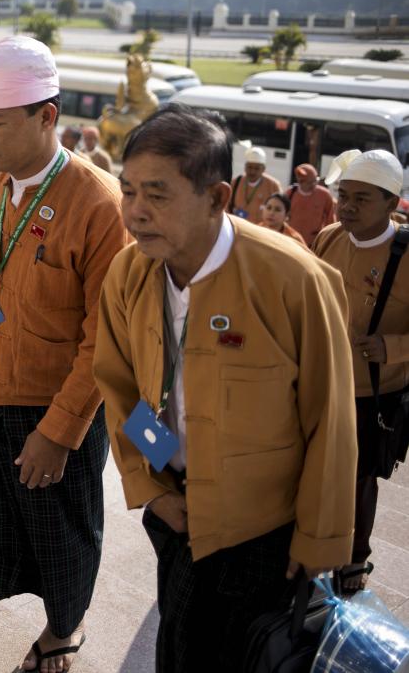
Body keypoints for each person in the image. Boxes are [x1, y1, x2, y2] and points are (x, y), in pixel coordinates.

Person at [92, 104, 356, 673]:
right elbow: (118, 385)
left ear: (217, 197)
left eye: (157, 195)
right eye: (128, 190)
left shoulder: (294, 279)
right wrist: (149, 485)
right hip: (177, 515)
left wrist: (318, 543)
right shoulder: (129, 273)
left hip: (268, 536)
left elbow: (330, 420)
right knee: (181, 651)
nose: (135, 212)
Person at [0, 34, 128, 673]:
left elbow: (105, 334)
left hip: (58, 394)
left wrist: (60, 433)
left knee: (59, 522)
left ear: (47, 116)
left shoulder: (97, 202)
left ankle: (64, 628)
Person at [313, 148, 409, 594]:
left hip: (374, 392)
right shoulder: (329, 237)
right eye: (343, 194)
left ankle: (355, 558)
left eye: (361, 198)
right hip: (322, 379)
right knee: (314, 466)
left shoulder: (405, 255)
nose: (346, 206)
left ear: (392, 204)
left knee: (360, 477)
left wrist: (391, 347)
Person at [287, 163, 336, 246]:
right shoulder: (289, 194)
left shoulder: (324, 195)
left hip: (314, 243)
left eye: (315, 181)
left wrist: (329, 239)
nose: (314, 185)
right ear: (300, 182)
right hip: (292, 241)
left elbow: (330, 219)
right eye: (310, 182)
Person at [228, 146, 281, 222]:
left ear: (263, 169)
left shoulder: (273, 186)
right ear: (245, 167)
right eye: (249, 167)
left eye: (256, 168)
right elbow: (226, 206)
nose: (252, 172)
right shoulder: (235, 182)